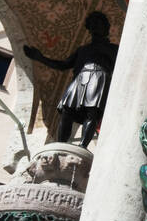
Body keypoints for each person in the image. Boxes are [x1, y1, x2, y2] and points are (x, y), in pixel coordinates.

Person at [23, 11, 117, 147]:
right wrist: (40, 58)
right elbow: (63, 65)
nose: (95, 27)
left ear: (106, 27)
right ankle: (60, 145)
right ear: (89, 29)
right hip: (79, 79)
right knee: (67, 111)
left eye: (98, 24)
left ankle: (83, 146)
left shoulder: (114, 49)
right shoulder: (83, 50)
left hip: (99, 78)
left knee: (92, 113)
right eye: (92, 25)